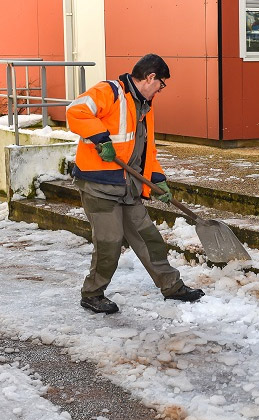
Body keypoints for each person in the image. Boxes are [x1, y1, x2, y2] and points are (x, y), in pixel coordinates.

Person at [66, 53, 204, 314]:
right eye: (161, 84)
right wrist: (101, 139)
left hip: (128, 186)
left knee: (148, 237)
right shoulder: (110, 92)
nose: (160, 90)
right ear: (150, 77)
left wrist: (157, 181)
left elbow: (146, 151)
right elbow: (76, 111)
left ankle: (171, 286)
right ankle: (92, 294)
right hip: (99, 185)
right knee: (109, 242)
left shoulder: (144, 107)